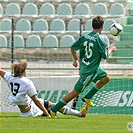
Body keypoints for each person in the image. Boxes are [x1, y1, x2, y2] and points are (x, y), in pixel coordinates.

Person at [50, 16, 116, 117]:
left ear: (92, 25)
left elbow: (72, 47)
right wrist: (111, 49)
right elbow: (105, 55)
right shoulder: (100, 39)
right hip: (89, 72)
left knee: (106, 79)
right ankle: (53, 110)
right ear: (102, 27)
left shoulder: (85, 36)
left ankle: (88, 97)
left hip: (94, 68)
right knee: (74, 93)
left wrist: (75, 59)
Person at [0, 60, 89, 117]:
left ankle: (80, 114)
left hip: (28, 106)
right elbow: (36, 100)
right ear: (24, 71)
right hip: (31, 112)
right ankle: (78, 114)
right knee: (53, 110)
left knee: (54, 105)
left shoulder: (10, 78)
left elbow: (1, 71)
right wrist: (46, 114)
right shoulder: (27, 83)